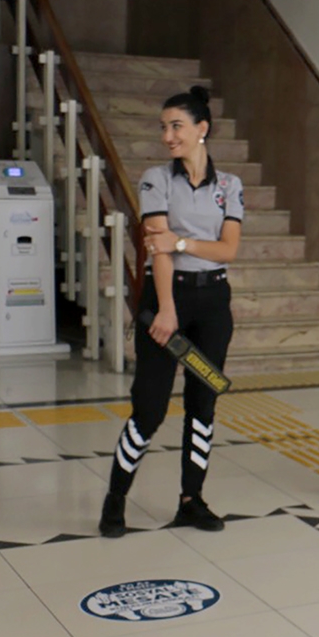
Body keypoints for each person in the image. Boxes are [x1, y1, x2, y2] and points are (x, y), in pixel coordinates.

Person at [99, 86, 242, 537]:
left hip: (213, 304)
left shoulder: (230, 186)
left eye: (176, 126)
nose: (167, 136)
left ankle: (191, 501)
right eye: (163, 128)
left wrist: (181, 241)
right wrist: (166, 309)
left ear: (202, 129)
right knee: (150, 408)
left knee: (203, 404)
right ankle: (115, 498)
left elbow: (228, 250)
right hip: (166, 301)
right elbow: (156, 250)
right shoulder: (155, 179)